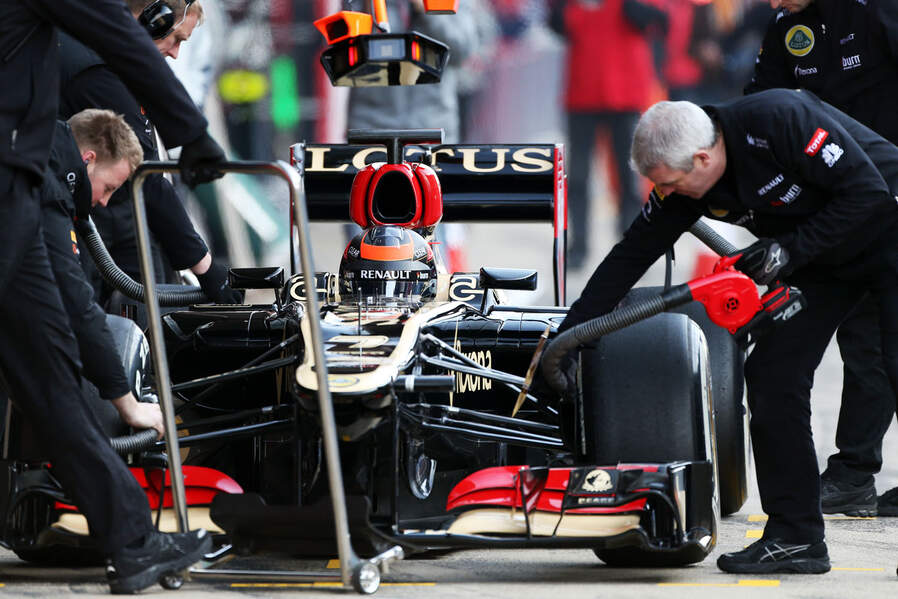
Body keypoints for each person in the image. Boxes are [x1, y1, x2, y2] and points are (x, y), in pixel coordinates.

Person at [556, 89, 898, 574]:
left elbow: (868, 193)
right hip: (822, 257)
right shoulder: (682, 181)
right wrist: (569, 339)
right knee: (772, 373)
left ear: (702, 158)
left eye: (671, 184)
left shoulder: (779, 119)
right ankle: (796, 537)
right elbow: (628, 258)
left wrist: (787, 250)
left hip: (887, 224)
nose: (667, 195)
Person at [0, 0, 225, 593]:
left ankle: (132, 541)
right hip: (9, 185)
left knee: (52, 374)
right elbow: (122, 38)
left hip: (18, 183)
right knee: (52, 370)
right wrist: (192, 131)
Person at [745, 0, 898, 518]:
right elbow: (761, 102)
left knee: (871, 347)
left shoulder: (877, 11)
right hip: (826, 211)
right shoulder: (787, 24)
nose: (771, 3)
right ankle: (840, 484)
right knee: (787, 355)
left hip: (886, 199)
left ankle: (854, 472)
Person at [57, 0, 242, 307]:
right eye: (177, 39)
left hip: (116, 212)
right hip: (93, 218)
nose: (175, 53)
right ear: (154, 21)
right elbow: (147, 174)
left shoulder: (99, 55)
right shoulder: (101, 68)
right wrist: (206, 268)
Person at [41, 110, 164, 438]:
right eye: (109, 187)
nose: (106, 202)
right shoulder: (48, 190)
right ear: (88, 159)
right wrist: (129, 406)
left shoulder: (42, 155)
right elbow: (76, 304)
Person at [548, 0, 667, 267]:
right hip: (583, 92)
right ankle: (578, 247)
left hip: (624, 93)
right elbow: (557, 23)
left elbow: (659, 19)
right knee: (577, 177)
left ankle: (632, 245)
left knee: (628, 177)